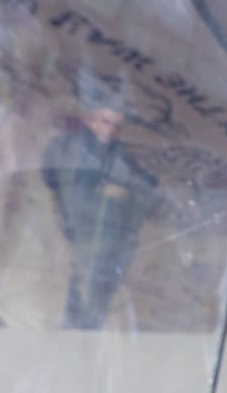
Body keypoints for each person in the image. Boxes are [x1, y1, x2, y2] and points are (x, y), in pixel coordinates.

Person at [41, 100, 160, 329]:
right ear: (91, 121)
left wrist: (134, 188)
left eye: (116, 126)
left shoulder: (117, 151)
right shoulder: (71, 147)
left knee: (101, 280)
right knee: (87, 277)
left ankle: (87, 325)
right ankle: (78, 326)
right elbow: (60, 181)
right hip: (84, 227)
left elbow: (141, 179)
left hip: (107, 230)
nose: (111, 130)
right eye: (106, 122)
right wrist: (103, 192)